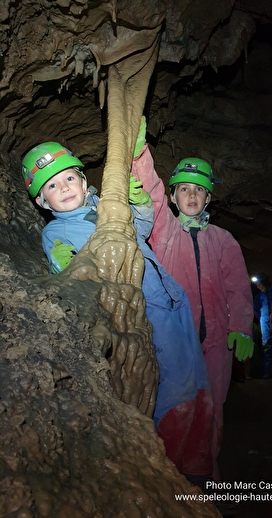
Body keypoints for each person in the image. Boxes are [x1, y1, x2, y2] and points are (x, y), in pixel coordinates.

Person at [22, 141, 215, 482]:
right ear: (41, 201)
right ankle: (170, 474)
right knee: (176, 391)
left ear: (84, 182)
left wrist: (138, 202)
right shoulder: (56, 232)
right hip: (141, 308)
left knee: (201, 385)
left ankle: (199, 466)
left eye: (69, 179)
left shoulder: (105, 205)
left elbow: (141, 231)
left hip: (172, 298)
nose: (63, 188)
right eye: (51, 186)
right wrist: (73, 267)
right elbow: (69, 278)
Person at [131, 117, 254, 476]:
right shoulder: (166, 232)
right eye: (184, 189)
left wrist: (241, 327)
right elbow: (150, 195)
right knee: (176, 406)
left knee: (213, 408)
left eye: (198, 190)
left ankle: (204, 478)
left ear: (208, 197)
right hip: (176, 340)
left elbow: (238, 289)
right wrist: (139, 153)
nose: (191, 195)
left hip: (217, 343)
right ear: (174, 196)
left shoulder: (223, 239)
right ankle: (170, 479)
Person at [252, 272, 272, 379]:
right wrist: (261, 319)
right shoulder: (259, 296)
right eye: (257, 285)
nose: (258, 286)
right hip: (264, 322)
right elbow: (256, 310)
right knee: (266, 345)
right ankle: (268, 371)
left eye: (259, 284)